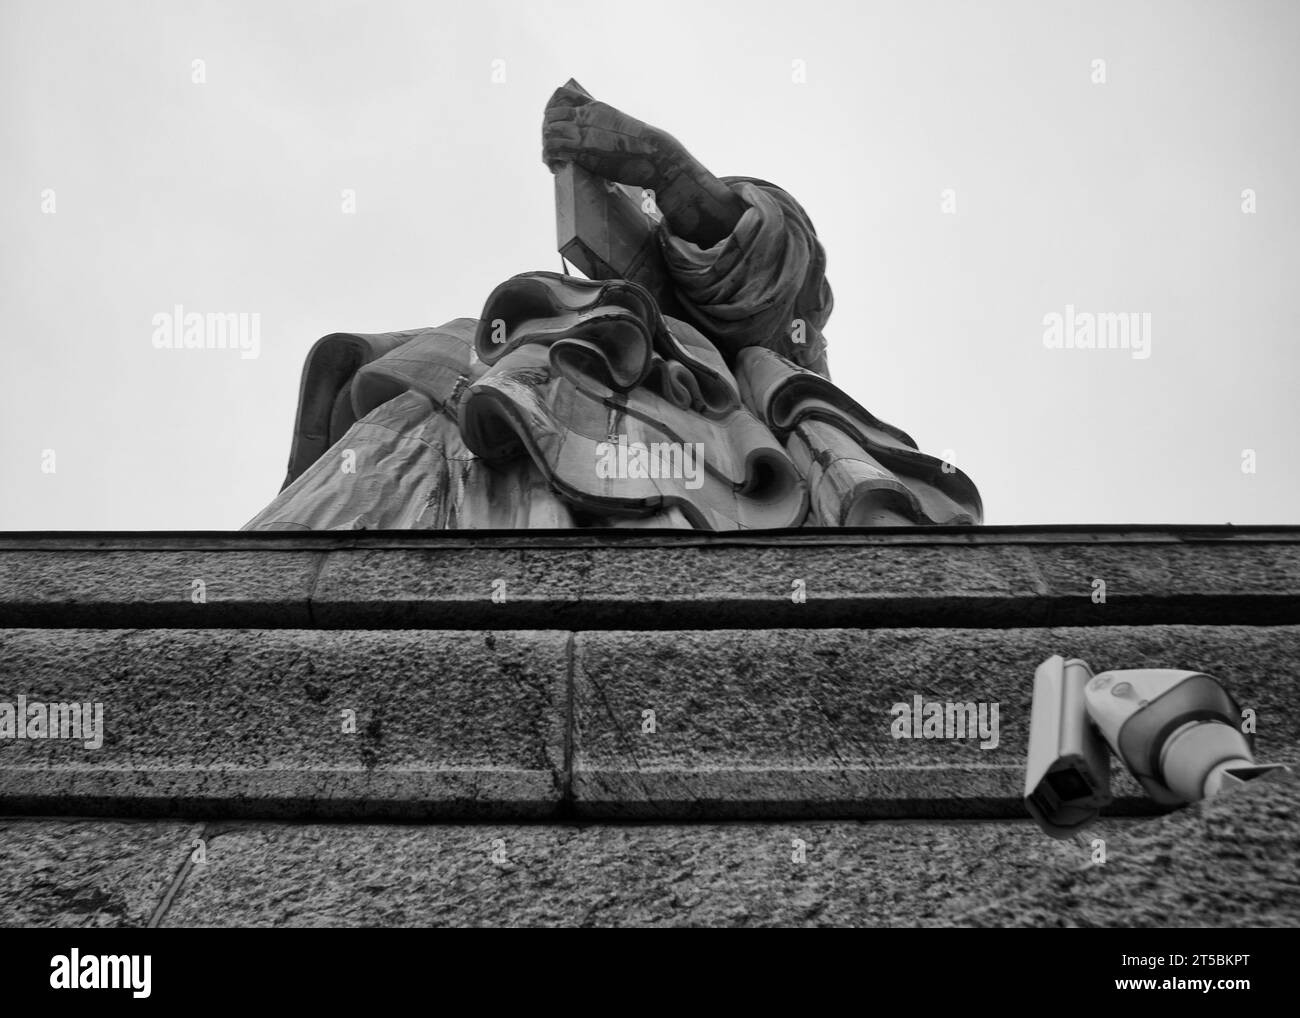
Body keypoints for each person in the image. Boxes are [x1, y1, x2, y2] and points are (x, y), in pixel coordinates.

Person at [244, 85, 981, 531]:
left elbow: (767, 271)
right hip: (531, 380)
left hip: (699, 434)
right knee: (435, 407)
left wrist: (663, 164)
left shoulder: (772, 321)